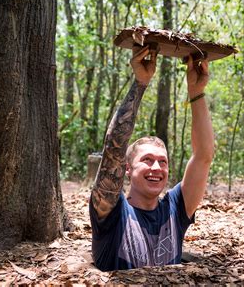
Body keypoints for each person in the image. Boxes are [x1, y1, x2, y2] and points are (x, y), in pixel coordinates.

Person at [89, 45, 214, 271]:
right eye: (147, 160)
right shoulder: (111, 212)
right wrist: (140, 83)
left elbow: (204, 156)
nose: (156, 167)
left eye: (163, 161)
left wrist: (196, 91)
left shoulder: (176, 208)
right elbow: (113, 149)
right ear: (127, 169)